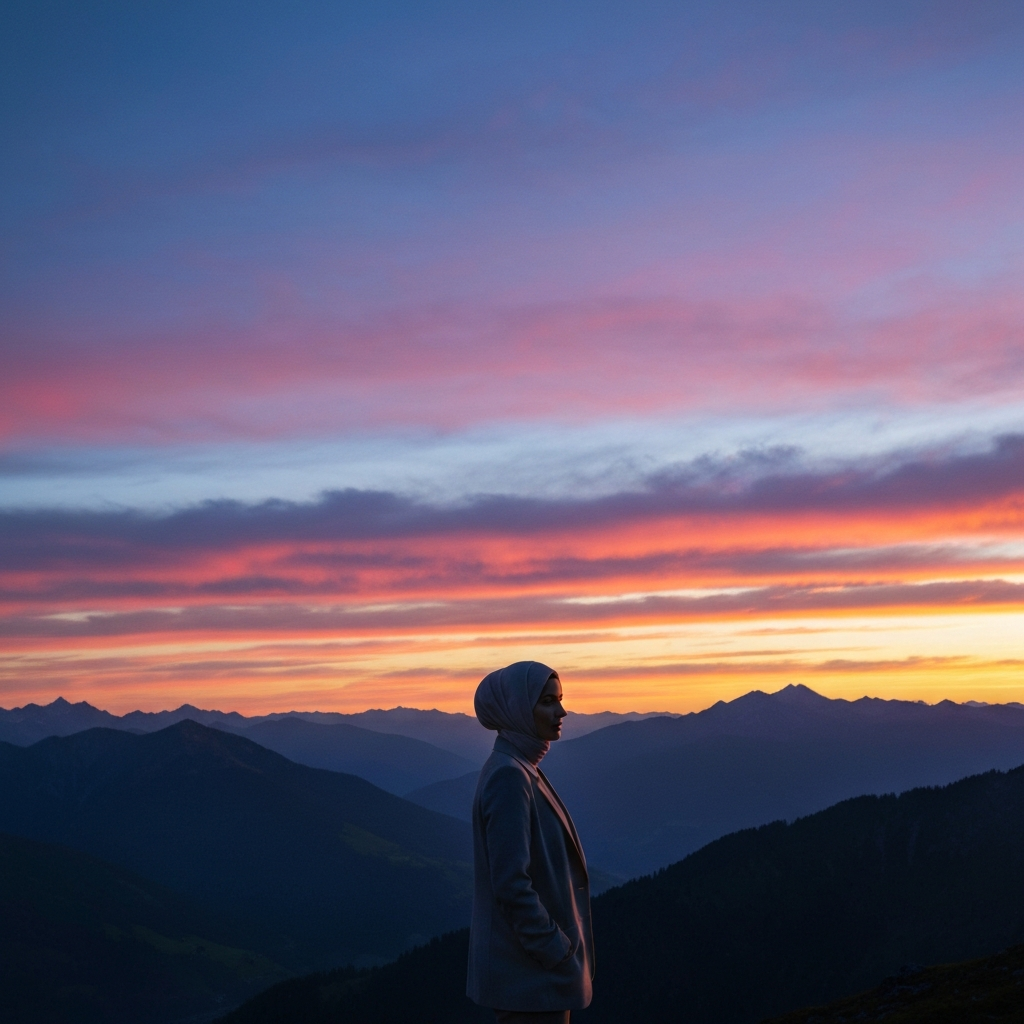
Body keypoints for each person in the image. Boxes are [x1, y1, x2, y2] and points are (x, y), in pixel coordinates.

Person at [467, 661, 594, 1024]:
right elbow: (511, 886)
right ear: (519, 709)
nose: (561, 712)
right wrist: (557, 951)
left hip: (532, 977)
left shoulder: (520, 766)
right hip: (529, 981)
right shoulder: (509, 776)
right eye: (548, 702)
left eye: (560, 700)